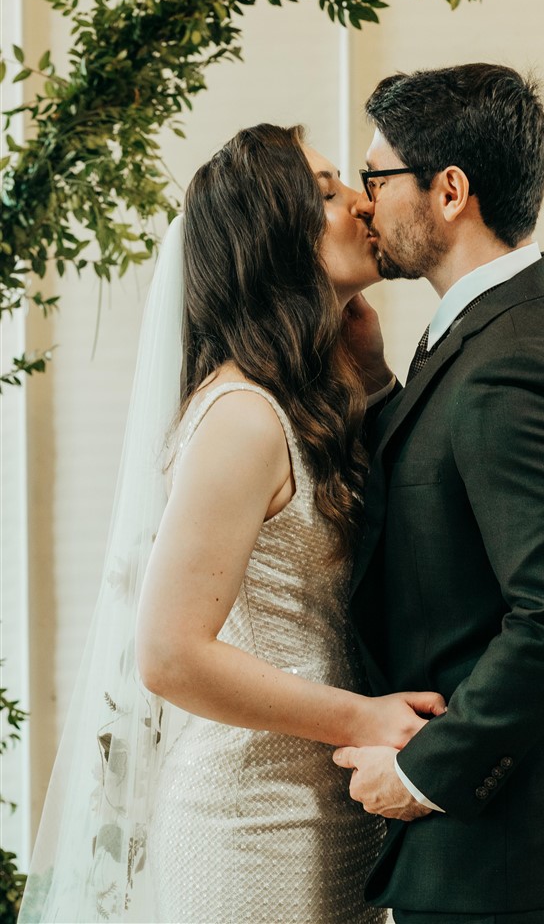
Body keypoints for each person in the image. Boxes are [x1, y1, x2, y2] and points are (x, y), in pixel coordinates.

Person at [19, 124, 444, 924]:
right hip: (254, 829)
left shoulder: (305, 403)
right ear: (270, 241)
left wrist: (378, 378)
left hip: (333, 816)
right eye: (322, 193)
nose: (361, 201)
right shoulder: (244, 417)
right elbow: (170, 655)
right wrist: (363, 716)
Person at [333, 65, 544, 924]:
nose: (363, 203)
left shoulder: (514, 357)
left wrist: (422, 771)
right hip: (502, 824)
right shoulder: (505, 324)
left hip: (500, 830)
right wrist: (371, 383)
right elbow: (455, 487)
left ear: (448, 191)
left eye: (375, 176)